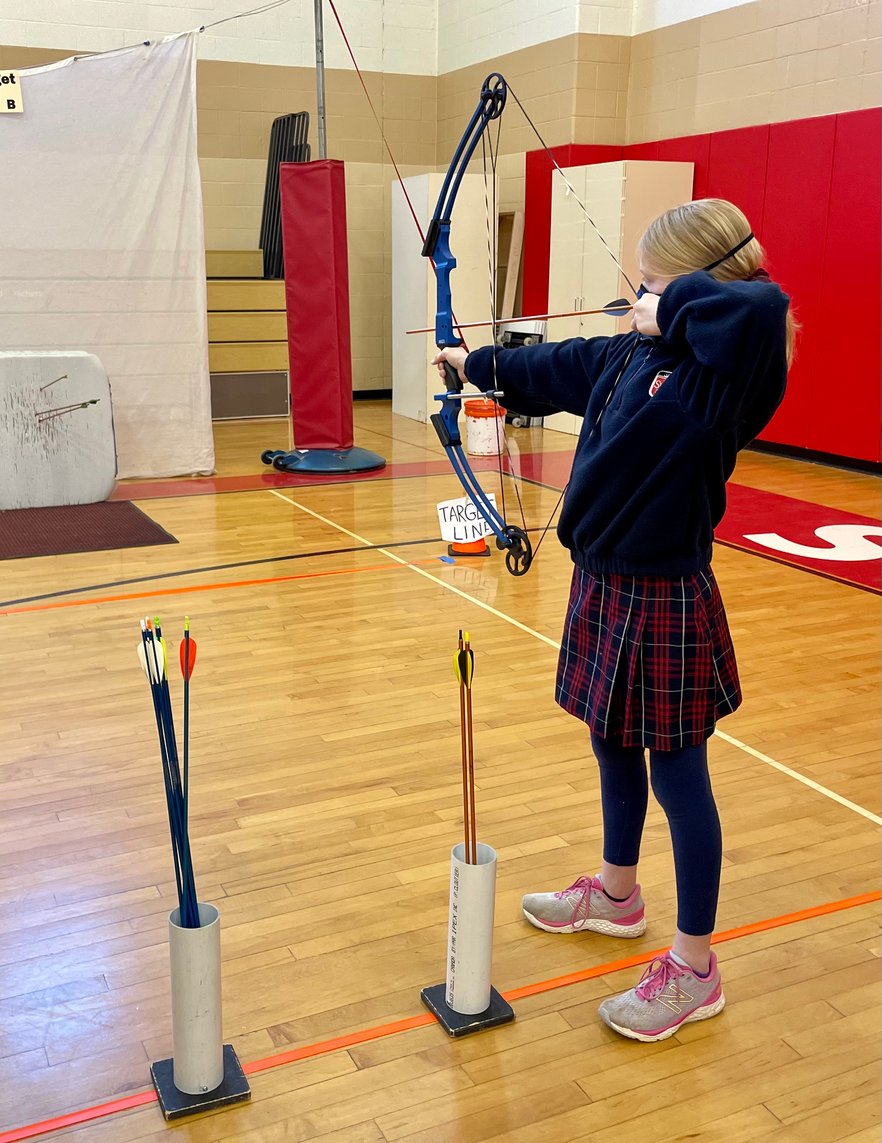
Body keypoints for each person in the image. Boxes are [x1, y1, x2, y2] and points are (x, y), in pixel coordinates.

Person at [432, 198, 794, 1042]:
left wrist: (673, 301)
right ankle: (617, 892)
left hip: (665, 591)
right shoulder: (637, 350)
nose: (638, 293)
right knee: (610, 739)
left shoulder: (726, 364)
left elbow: (761, 306)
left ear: (698, 282)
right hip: (604, 580)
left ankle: (696, 966)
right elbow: (561, 364)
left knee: (679, 777)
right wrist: (474, 361)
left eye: (653, 280)